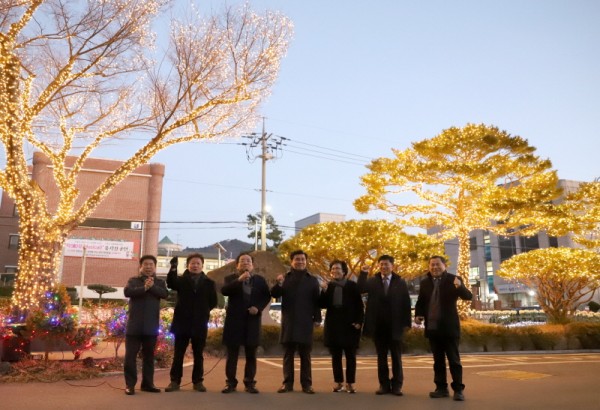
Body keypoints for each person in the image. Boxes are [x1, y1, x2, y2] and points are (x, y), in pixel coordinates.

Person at [415, 255, 473, 401]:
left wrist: (459, 286)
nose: (435, 267)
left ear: (444, 265)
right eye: (432, 265)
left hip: (449, 328)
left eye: (438, 264)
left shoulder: (454, 279)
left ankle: (458, 390)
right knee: (438, 361)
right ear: (429, 267)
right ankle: (441, 388)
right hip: (433, 328)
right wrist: (418, 314)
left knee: (454, 360)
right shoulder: (425, 283)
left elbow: (468, 296)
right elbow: (421, 301)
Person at [357, 255, 411, 396]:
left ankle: (397, 385)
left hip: (395, 326)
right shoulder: (372, 281)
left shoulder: (400, 282)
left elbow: (406, 303)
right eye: (381, 264)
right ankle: (384, 385)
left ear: (392, 266)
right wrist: (363, 273)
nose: (383, 267)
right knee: (381, 357)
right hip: (378, 326)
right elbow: (360, 289)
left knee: (396, 357)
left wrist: (407, 323)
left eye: (386, 264)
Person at [270, 250, 322, 394]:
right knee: (288, 354)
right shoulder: (285, 278)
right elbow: (274, 294)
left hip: (306, 321)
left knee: (305, 355)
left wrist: (317, 318)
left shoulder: (312, 280)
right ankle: (287, 384)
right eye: (297, 259)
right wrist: (278, 284)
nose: (300, 262)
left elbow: (316, 301)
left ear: (306, 261)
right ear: (291, 261)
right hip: (289, 321)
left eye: (302, 259)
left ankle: (307, 384)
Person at [165, 253, 218, 392]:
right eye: (192, 263)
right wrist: (173, 268)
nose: (195, 266)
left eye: (198, 263)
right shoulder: (181, 280)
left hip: (199, 323)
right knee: (178, 354)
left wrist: (202, 311)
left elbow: (213, 301)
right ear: (188, 265)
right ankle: (174, 381)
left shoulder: (209, 283)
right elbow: (171, 283)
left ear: (202, 266)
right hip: (182, 323)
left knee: (198, 354)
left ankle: (198, 381)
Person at [220, 252, 271, 394]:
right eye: (242, 261)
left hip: (252, 321)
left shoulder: (260, 280)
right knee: (232, 355)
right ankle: (230, 383)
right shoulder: (230, 278)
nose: (245, 263)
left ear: (252, 265)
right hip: (234, 322)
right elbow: (225, 291)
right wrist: (239, 280)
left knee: (251, 355)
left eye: (248, 261)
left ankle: (250, 383)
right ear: (237, 265)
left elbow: (266, 296)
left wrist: (258, 308)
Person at [123, 255, 168, 395]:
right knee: (130, 357)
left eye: (151, 264)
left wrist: (152, 287)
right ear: (141, 267)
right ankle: (130, 385)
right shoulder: (133, 281)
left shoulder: (160, 282)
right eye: (146, 264)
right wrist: (144, 288)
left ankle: (148, 384)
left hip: (151, 326)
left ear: (155, 267)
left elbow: (164, 294)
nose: (148, 267)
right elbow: (127, 292)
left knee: (148, 357)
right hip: (134, 326)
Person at [319, 260, 364, 394]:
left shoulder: (352, 286)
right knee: (336, 356)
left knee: (351, 356)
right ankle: (338, 382)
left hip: (350, 325)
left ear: (344, 271)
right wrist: (323, 290)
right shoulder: (329, 286)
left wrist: (359, 321)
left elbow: (359, 306)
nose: (335, 271)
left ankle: (350, 383)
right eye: (333, 269)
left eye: (338, 268)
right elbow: (322, 304)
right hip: (333, 325)